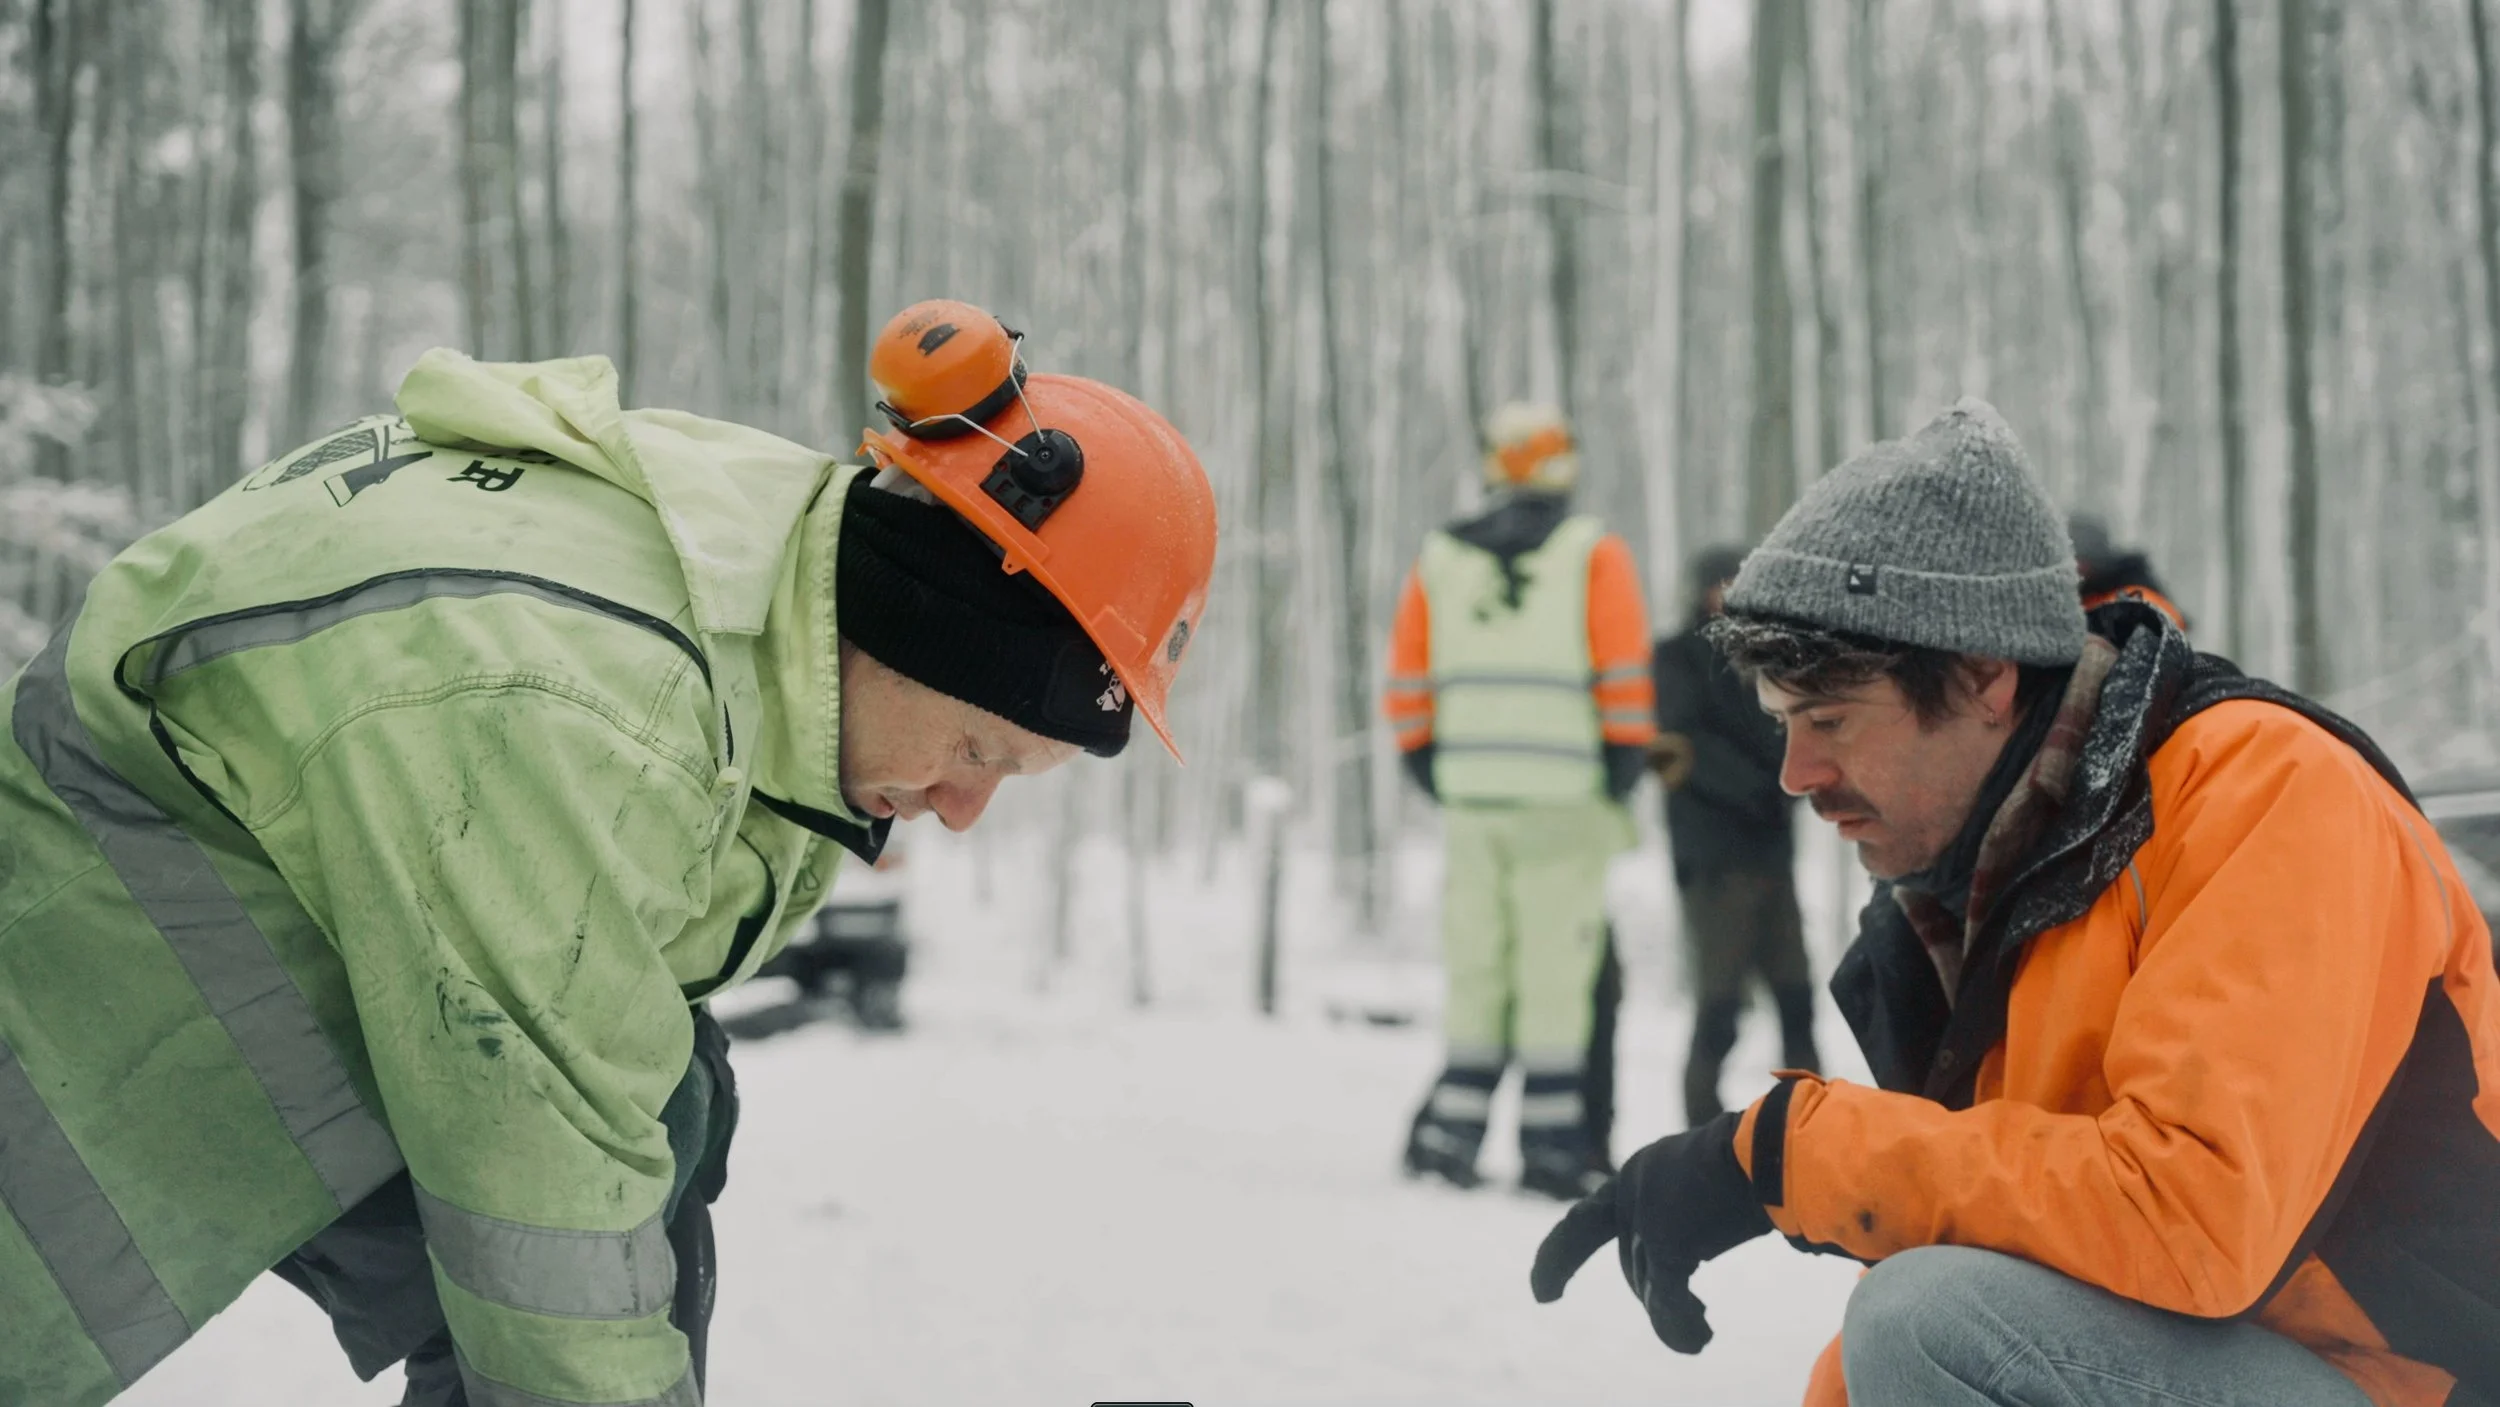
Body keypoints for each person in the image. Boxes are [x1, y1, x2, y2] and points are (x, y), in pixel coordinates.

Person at [0, 299, 1217, 1407]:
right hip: (74, 995)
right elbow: (544, 1183)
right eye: (980, 750)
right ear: (921, 630)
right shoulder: (580, 709)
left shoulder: (755, 573)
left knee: (665, 1114)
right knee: (565, 1229)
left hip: (265, 952)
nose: (960, 810)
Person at [1530, 400, 2500, 1407]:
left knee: (1924, 1319)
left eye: (1829, 720)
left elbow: (2193, 1218)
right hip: (2250, 1362)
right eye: (1783, 725)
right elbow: (2006, 1260)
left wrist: (1786, 1154)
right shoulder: (1990, 877)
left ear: (1983, 677)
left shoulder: (2268, 793)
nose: (1795, 774)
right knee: (1915, 1318)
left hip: (2414, 1381)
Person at [1385, 402, 1653, 1200]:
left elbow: (1407, 671)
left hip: (1471, 796)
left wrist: (1425, 755)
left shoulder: (1440, 557)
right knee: (1555, 972)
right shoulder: (1592, 552)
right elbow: (1622, 670)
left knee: (1477, 963)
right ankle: (1552, 1145)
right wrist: (1624, 760)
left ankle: (1452, 1133)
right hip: (1565, 799)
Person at [1650, 545, 1820, 1126]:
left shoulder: (1773, 657)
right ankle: (1701, 1131)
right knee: (1719, 1008)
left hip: (1772, 854)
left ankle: (1812, 1124)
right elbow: (1679, 749)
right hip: (1716, 860)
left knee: (1797, 1000)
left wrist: (1785, 785)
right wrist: (1761, 788)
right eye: (1721, 582)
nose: (1728, 594)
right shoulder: (1676, 658)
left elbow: (1792, 731)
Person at [2068, 512, 2190, 629]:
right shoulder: (2083, 595)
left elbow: (2168, 624)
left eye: (2078, 559)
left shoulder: (2134, 597)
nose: (2074, 568)